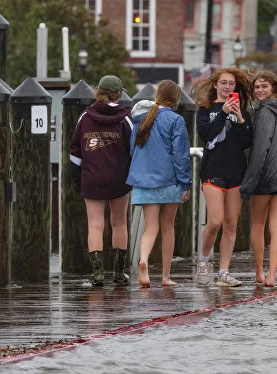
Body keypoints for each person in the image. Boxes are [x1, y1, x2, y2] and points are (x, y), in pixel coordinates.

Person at [127, 80, 192, 288]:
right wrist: (185, 183)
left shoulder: (141, 119)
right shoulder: (176, 120)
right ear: (175, 98)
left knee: (150, 227)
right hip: (169, 180)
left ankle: (144, 259)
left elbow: (132, 149)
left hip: (145, 180)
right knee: (168, 227)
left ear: (158, 95)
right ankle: (165, 277)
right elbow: (180, 155)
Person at [193, 68, 254, 287]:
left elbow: (247, 141)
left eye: (231, 84)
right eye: (224, 83)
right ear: (216, 84)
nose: (227, 87)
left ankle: (224, 272)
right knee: (215, 221)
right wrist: (222, 113)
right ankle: (203, 260)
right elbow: (206, 134)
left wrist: (238, 117)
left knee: (231, 223)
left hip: (236, 171)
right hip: (212, 171)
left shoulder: (242, 111)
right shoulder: (205, 109)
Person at [70, 75, 133, 286]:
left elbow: (75, 152)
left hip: (92, 178)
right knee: (119, 222)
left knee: (95, 225)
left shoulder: (85, 118)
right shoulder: (125, 119)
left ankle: (97, 274)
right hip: (119, 179)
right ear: (118, 94)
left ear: (99, 91)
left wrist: (78, 180)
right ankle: (118, 272)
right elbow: (133, 150)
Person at [240, 71, 277, 288]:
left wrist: (248, 183)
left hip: (266, 176)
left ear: (273, 88)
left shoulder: (264, 112)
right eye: (257, 87)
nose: (259, 90)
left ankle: (260, 273)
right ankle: (272, 274)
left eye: (264, 86)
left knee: (258, 223)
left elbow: (260, 149)